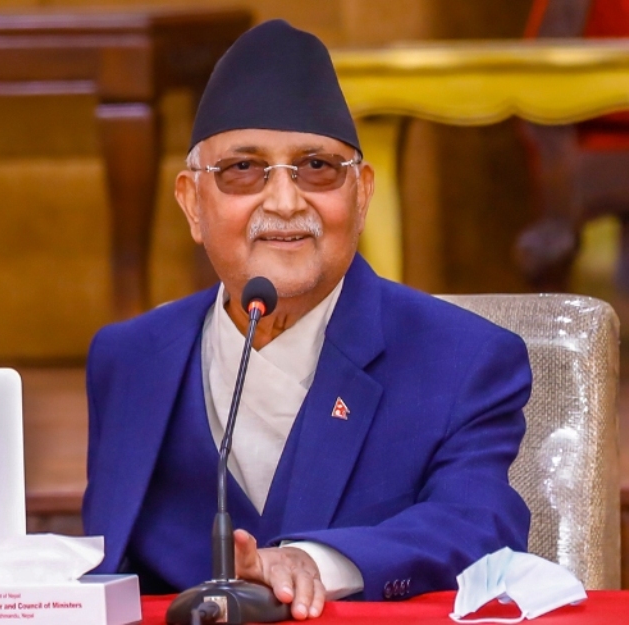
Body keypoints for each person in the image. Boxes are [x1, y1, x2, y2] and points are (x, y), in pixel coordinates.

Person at [81, 19, 531, 621]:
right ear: (191, 203)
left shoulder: (461, 356)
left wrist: (317, 563)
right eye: (243, 170)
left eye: (317, 167)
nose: (285, 202)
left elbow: (480, 523)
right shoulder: (130, 358)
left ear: (361, 195)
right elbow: (107, 567)